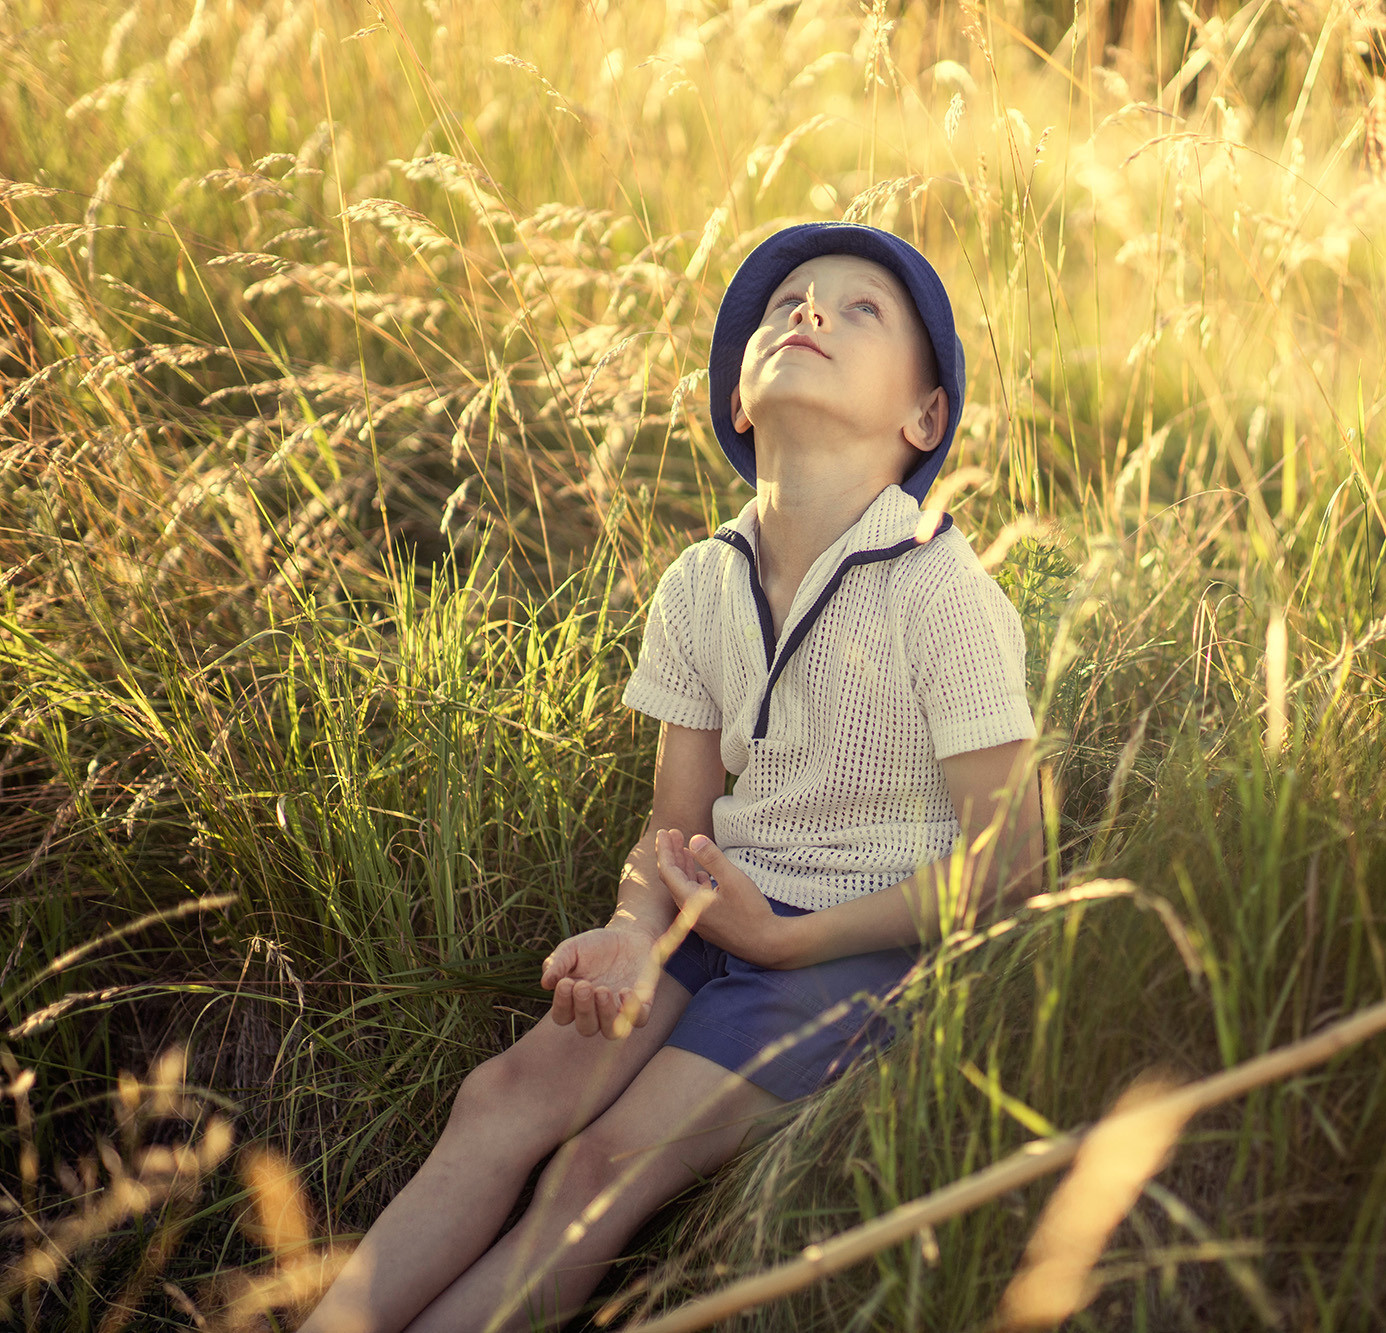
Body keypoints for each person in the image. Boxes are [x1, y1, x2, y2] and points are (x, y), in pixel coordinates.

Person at [299, 222, 1044, 1333]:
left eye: (858, 310)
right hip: (710, 910)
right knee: (499, 1097)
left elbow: (1014, 862)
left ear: (922, 419)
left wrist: (785, 939)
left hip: (856, 946)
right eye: (787, 301)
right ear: (738, 401)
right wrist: (631, 932)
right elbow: (672, 826)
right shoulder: (703, 582)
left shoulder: (940, 590)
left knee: (602, 1159)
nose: (808, 315)